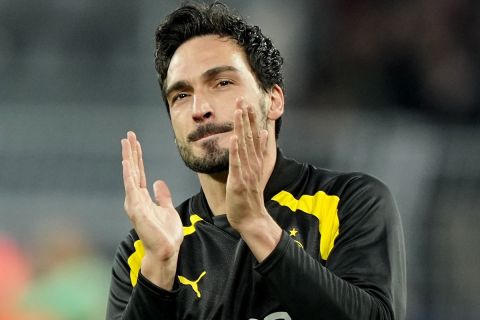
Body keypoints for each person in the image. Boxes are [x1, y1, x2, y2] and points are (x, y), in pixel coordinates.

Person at [106, 2, 406, 319]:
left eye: (222, 82)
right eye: (180, 95)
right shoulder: (145, 251)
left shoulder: (349, 204)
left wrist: (256, 225)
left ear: (274, 100)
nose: (199, 108)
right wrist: (159, 270)